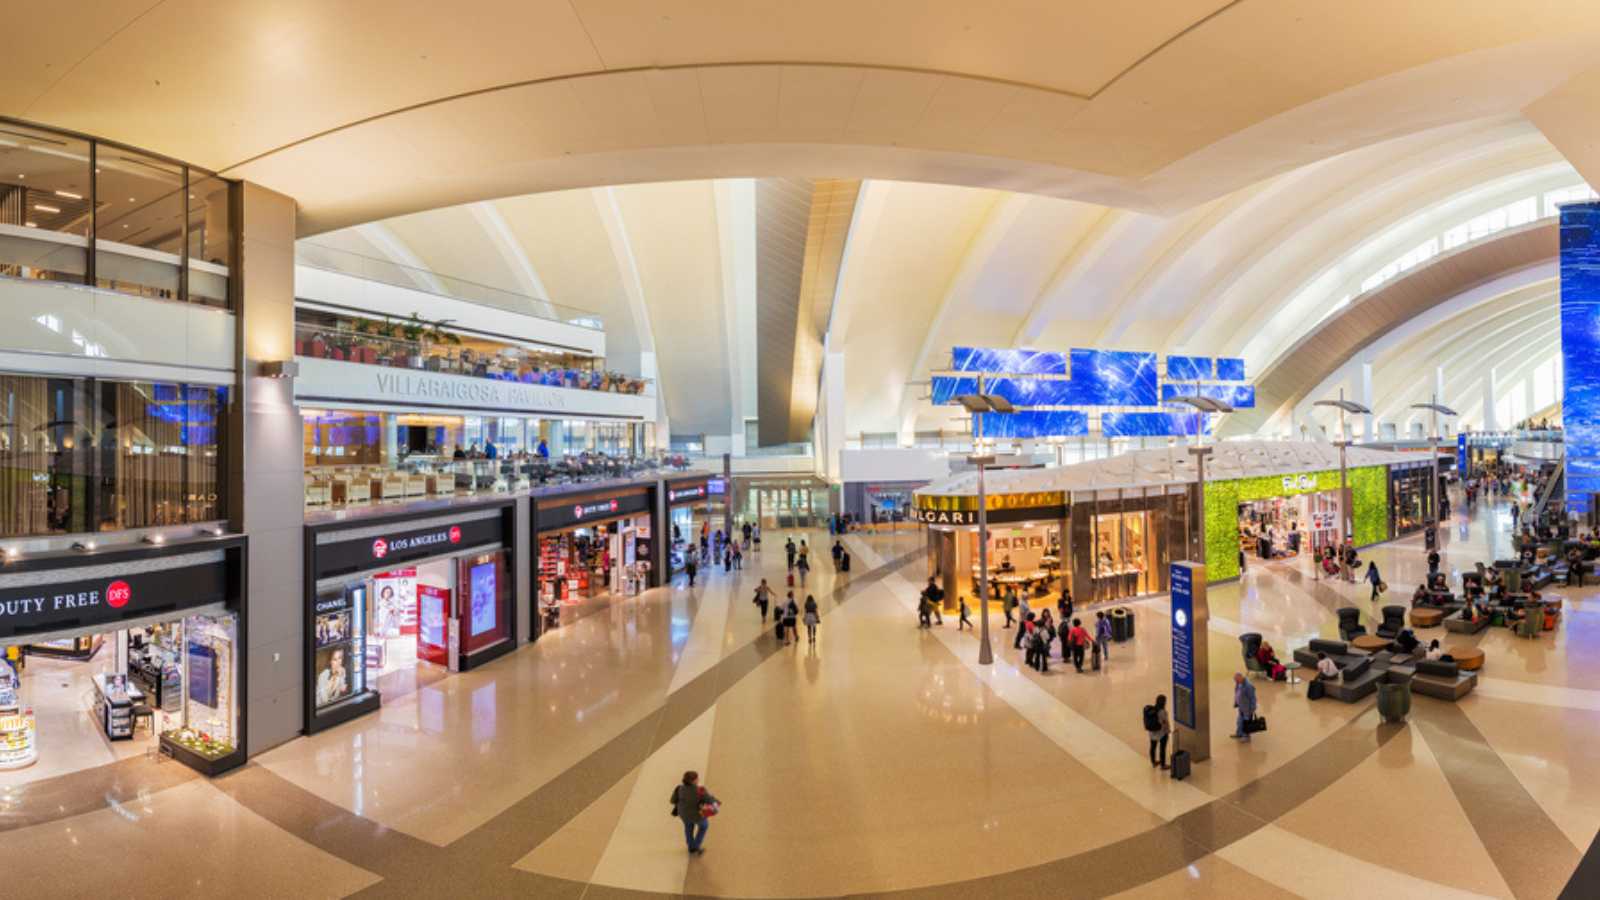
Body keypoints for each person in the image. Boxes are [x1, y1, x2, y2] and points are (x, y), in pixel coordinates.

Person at [670, 770, 718, 855]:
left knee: (688, 828)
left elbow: (672, 801)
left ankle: (690, 847)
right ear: (693, 781)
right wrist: (715, 801)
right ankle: (696, 846)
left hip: (683, 814)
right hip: (697, 815)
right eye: (697, 778)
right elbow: (709, 800)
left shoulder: (679, 788)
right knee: (704, 826)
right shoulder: (700, 790)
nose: (698, 779)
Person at [1145, 695, 1171, 769]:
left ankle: (1153, 762)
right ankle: (1163, 765)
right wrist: (1168, 731)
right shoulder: (1163, 712)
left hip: (1152, 733)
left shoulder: (1152, 710)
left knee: (1153, 747)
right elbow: (1165, 723)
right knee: (1162, 749)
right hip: (1161, 733)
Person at [1231, 672, 1258, 742]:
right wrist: (1236, 702)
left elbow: (1253, 698)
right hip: (1241, 707)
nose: (1236, 682)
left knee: (1247, 723)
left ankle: (1246, 736)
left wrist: (1252, 708)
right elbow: (1237, 693)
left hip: (1247, 709)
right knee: (1239, 721)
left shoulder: (1248, 686)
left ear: (1241, 677)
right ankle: (1239, 733)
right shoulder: (1239, 683)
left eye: (1237, 680)